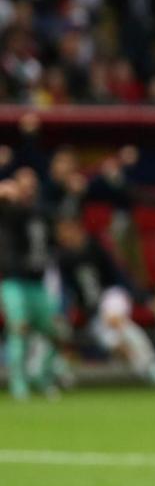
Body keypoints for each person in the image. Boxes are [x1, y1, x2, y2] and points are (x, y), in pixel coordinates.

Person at [53, 212, 155, 390]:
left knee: (115, 320)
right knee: (119, 345)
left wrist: (145, 299)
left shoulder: (95, 248)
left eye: (67, 230)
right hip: (93, 314)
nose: (64, 236)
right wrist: (62, 314)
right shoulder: (63, 259)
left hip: (112, 296)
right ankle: (154, 370)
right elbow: (66, 291)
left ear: (77, 229)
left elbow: (120, 276)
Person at [0, 167, 68, 399]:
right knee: (18, 328)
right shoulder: (7, 211)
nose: (29, 189)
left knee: (56, 332)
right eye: (24, 184)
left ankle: (42, 376)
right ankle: (19, 383)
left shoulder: (42, 213)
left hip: (38, 282)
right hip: (13, 281)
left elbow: (53, 242)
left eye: (32, 184)